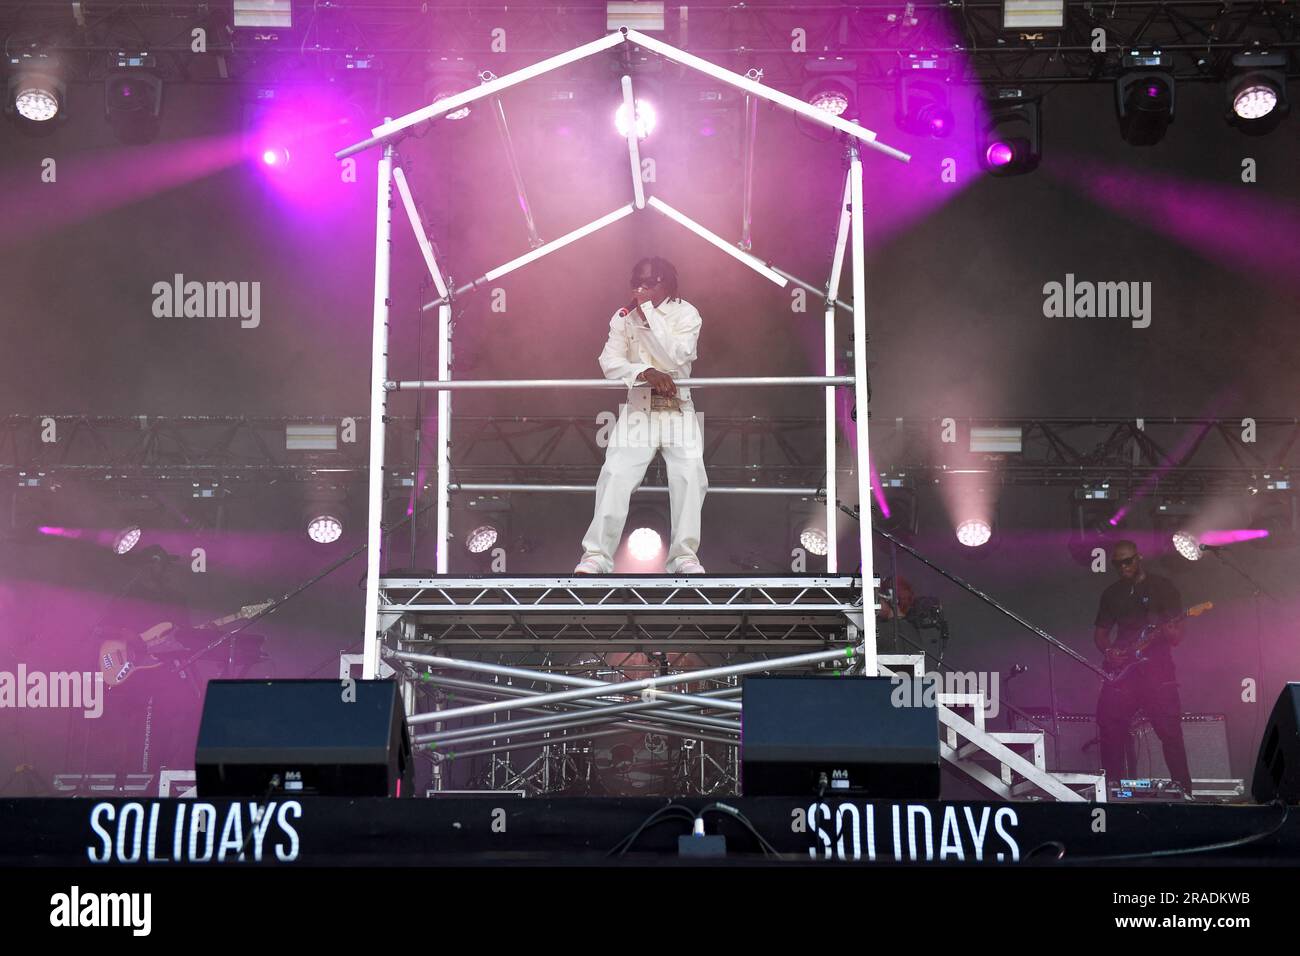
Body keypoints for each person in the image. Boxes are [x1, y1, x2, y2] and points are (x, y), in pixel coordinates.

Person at [574, 257, 708, 574]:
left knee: (690, 476)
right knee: (616, 473)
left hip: (678, 407)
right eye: (638, 282)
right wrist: (642, 371)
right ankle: (596, 556)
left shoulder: (687, 313)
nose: (641, 288)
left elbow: (674, 357)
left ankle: (684, 557)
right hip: (639, 407)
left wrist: (646, 313)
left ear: (667, 283)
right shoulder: (623, 317)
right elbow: (609, 362)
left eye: (650, 283)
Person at [1093, 539, 1194, 799]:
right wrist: (1109, 652)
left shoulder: (1163, 587)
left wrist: (1172, 632)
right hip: (1124, 673)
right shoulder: (1112, 593)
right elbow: (1101, 634)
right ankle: (1113, 791)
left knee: (1170, 732)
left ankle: (1184, 791)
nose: (1122, 567)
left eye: (1127, 561)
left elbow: (1177, 636)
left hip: (1157, 671)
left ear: (1139, 559)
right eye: (1117, 563)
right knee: (1109, 723)